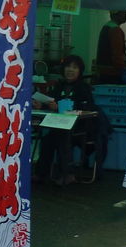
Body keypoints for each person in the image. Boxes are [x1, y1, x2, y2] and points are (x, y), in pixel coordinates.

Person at [35, 54, 111, 186]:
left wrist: (60, 107)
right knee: (47, 139)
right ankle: (41, 173)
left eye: (74, 67)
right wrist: (42, 105)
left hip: (81, 128)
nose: (70, 70)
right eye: (68, 67)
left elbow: (86, 107)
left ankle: (68, 173)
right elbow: (51, 101)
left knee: (62, 136)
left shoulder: (84, 88)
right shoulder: (59, 86)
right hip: (61, 126)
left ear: (80, 71)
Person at [95, 10, 126, 85]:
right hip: (113, 75)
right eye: (124, 12)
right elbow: (117, 55)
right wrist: (122, 70)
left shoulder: (106, 27)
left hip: (103, 73)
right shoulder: (115, 30)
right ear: (115, 14)